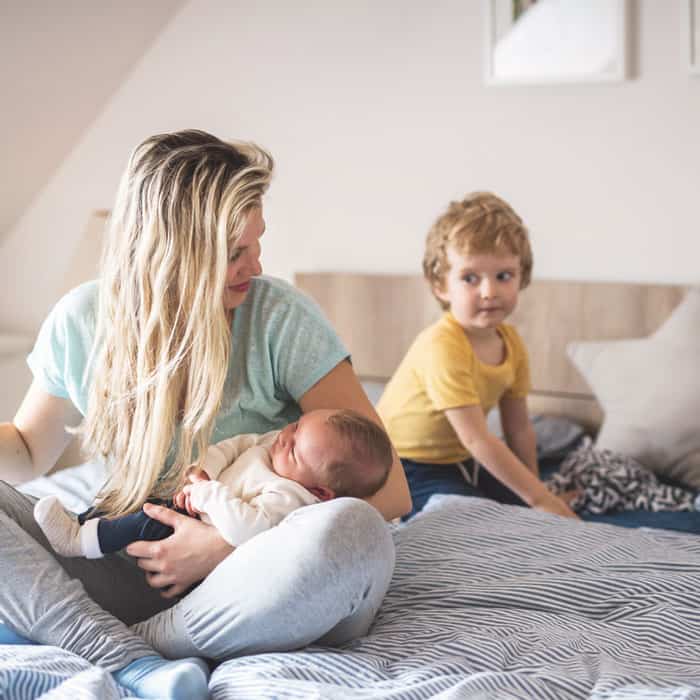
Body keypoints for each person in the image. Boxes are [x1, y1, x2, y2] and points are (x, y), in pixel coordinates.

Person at [0, 129, 411, 700]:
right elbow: (24, 451)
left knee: (357, 536)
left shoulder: (279, 319)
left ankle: (107, 639)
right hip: (134, 563)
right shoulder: (85, 319)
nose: (257, 264)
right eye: (235, 252)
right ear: (172, 252)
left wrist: (225, 546)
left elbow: (391, 491)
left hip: (256, 576)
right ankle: (129, 657)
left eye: (256, 243)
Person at [377, 191, 576, 520]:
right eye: (470, 278)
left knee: (518, 503)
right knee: (473, 519)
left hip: (461, 458)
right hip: (403, 463)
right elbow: (476, 438)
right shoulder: (443, 345)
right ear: (441, 285)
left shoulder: (511, 343)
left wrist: (538, 493)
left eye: (504, 276)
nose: (489, 291)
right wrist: (541, 502)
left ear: (522, 277)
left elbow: (519, 429)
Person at [35, 408, 393, 559]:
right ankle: (81, 521)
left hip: (197, 526)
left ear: (320, 492)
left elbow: (246, 530)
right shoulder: (275, 446)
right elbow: (232, 446)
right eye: (296, 426)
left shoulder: (290, 496)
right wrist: (201, 470)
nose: (284, 438)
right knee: (136, 496)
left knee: (146, 518)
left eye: (296, 449)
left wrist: (208, 494)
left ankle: (77, 542)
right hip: (194, 497)